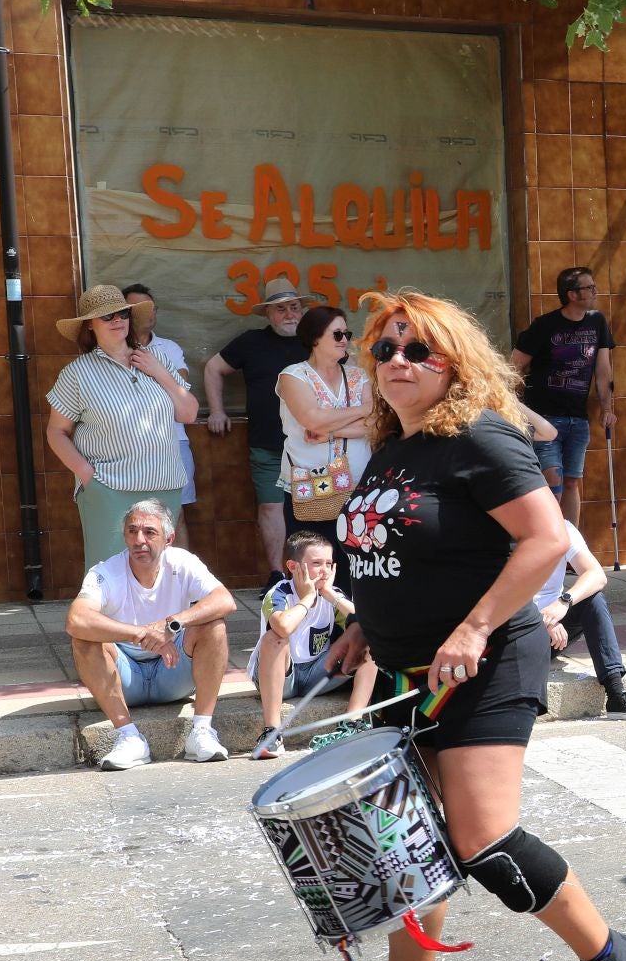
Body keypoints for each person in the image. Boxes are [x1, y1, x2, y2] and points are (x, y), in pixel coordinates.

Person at [314, 288, 626, 961]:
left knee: (482, 839)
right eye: (384, 350)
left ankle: (614, 955)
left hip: (488, 660)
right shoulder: (396, 446)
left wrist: (472, 626)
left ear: (453, 362)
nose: (397, 362)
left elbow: (542, 542)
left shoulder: (482, 436)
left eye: (416, 350)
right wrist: (368, 622)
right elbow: (405, 551)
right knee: (408, 840)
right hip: (408, 668)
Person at [66, 500, 233, 770]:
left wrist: (172, 623)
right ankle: (129, 737)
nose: (139, 540)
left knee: (214, 625)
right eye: (132, 532)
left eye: (149, 532)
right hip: (124, 678)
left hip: (173, 670)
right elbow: (76, 619)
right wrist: (140, 633)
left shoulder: (183, 562)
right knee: (84, 639)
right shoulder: (105, 572)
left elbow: (225, 600)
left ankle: (202, 731)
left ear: (169, 538)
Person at [45, 286, 197, 570]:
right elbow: (56, 432)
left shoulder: (157, 359)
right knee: (110, 574)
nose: (118, 320)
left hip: (164, 485)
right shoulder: (77, 373)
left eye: (123, 313)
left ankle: (160, 618)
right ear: (89, 325)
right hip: (110, 488)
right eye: (107, 316)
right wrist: (86, 474)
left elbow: (188, 413)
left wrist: (159, 372)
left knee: (160, 573)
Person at [205, 281, 308, 581]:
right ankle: (278, 576)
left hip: (313, 445)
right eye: (281, 308)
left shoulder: (317, 341)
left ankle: (313, 578)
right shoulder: (251, 342)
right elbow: (213, 369)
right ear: (267, 314)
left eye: (294, 307)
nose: (290, 314)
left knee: (314, 509)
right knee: (270, 508)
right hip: (268, 446)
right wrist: (217, 410)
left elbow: (347, 371)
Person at [248, 530, 377, 760]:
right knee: (274, 638)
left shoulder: (332, 595)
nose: (324, 570)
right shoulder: (279, 592)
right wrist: (308, 598)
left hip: (316, 671)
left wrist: (330, 595)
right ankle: (272, 732)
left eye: (329, 563)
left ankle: (351, 723)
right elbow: (282, 628)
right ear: (293, 566)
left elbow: (366, 623)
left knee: (368, 638)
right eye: (316, 563)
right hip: (282, 675)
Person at [277, 305, 373, 590]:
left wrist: (329, 432)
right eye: (337, 334)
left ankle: (352, 630)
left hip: (358, 486)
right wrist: (362, 409)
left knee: (356, 567)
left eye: (347, 333)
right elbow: (312, 418)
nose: (345, 340)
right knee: (312, 568)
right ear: (315, 338)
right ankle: (312, 628)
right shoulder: (293, 376)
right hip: (311, 487)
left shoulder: (359, 376)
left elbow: (377, 423)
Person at [510, 266, 617, 522]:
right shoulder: (544, 326)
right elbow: (513, 366)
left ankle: (571, 552)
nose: (594, 291)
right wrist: (515, 404)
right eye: (588, 287)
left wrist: (607, 409)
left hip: (578, 418)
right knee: (551, 482)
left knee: (571, 482)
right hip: (545, 418)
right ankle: (551, 547)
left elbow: (603, 370)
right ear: (571, 294)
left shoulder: (597, 322)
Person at [535, 517, 626, 719]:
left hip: (554, 628)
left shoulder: (562, 527)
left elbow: (596, 575)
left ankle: (616, 692)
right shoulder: (503, 530)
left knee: (593, 599)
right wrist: (538, 621)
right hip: (514, 630)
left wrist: (563, 602)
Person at [122, 284, 196, 549]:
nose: (149, 313)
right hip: (128, 446)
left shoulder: (169, 348)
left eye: (151, 307)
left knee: (175, 514)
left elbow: (181, 390)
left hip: (174, 440)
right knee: (132, 516)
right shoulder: (112, 351)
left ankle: (181, 582)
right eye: (140, 308)